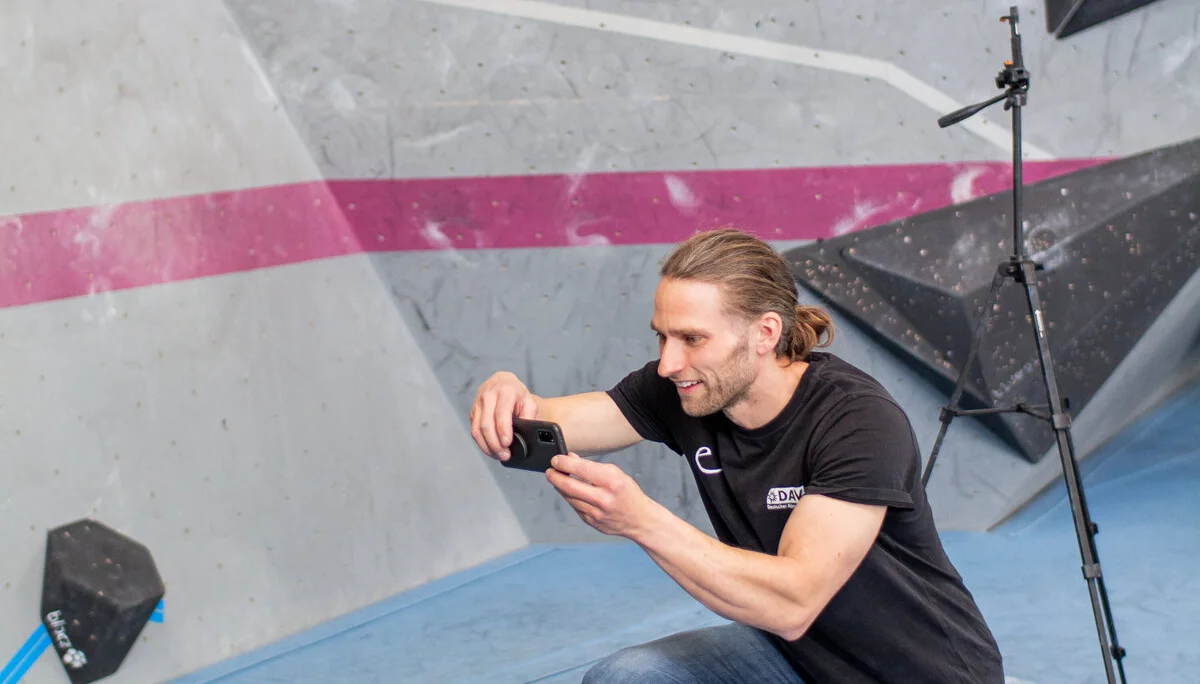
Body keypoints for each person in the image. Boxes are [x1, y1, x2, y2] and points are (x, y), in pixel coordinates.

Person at [469, 228, 1004, 684]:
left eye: (692, 338)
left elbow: (792, 604)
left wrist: (642, 521)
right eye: (662, 337)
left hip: (917, 672)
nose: (668, 363)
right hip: (797, 660)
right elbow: (545, 418)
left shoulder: (856, 419)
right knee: (625, 678)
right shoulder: (686, 388)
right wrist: (508, 392)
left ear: (765, 333)